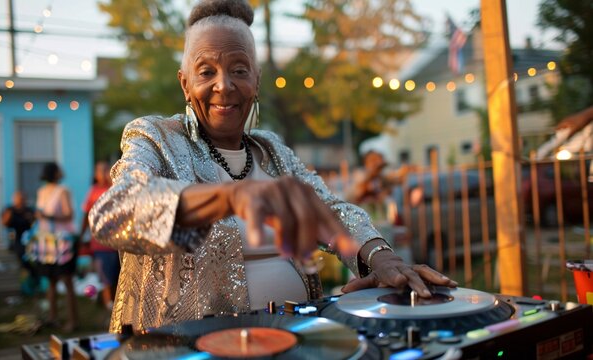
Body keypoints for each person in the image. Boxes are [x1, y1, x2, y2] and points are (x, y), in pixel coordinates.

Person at [89, 0, 457, 334]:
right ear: (185, 84)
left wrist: (381, 257)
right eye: (206, 72)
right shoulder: (155, 137)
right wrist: (231, 196)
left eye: (239, 69)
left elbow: (329, 208)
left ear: (256, 81)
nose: (224, 85)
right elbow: (113, 212)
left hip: (293, 342)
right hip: (185, 351)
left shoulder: (271, 149)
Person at [35, 162, 78, 332]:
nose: (62, 171)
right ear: (54, 173)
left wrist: (48, 216)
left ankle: (73, 321)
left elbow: (69, 215)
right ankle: (53, 318)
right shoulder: (41, 191)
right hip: (46, 242)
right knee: (51, 281)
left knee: (67, 280)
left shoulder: (63, 191)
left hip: (62, 241)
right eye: (59, 169)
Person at [80, 161, 119, 310]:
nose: (103, 173)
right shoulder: (93, 192)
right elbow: (86, 215)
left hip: (119, 242)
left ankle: (118, 309)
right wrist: (81, 235)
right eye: (100, 170)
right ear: (95, 174)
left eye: (106, 169)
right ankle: (109, 306)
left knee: (118, 277)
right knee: (105, 277)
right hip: (100, 243)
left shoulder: (117, 188)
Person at [1, 190, 39, 294]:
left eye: (22, 199)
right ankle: (26, 287)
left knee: (33, 263)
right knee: (23, 262)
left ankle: (33, 285)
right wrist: (9, 214)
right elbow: (4, 223)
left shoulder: (29, 210)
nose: (21, 201)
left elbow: (36, 221)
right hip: (16, 240)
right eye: (18, 199)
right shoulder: (10, 210)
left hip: (29, 240)